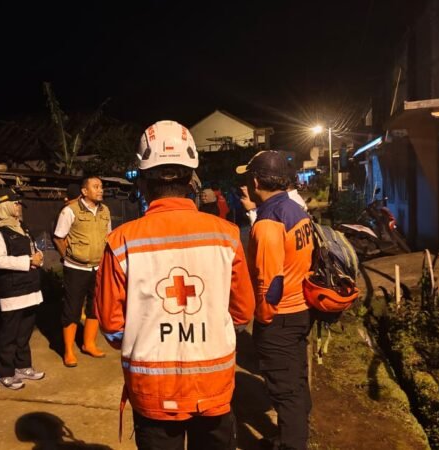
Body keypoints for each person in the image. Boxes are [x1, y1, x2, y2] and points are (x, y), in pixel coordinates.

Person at [95, 120, 255, 450]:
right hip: (213, 386)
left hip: (152, 391)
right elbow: (242, 313)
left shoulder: (121, 242)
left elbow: (112, 327)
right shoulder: (226, 236)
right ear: (191, 178)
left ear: (142, 180)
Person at [235, 150, 315, 450]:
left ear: (256, 181)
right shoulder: (297, 211)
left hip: (279, 317)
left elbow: (270, 285)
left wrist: (264, 320)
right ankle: (288, 436)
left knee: (284, 390)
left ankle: (292, 444)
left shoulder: (268, 222)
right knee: (296, 380)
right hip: (300, 310)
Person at [0, 187, 46, 390]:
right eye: (16, 203)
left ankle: (23, 366)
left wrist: (38, 257)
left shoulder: (20, 227)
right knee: (9, 333)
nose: (19, 207)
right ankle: (5, 372)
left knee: (25, 331)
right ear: (4, 206)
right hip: (12, 288)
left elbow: (32, 249)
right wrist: (28, 260)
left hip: (30, 286)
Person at [52, 175, 111, 367]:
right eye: (96, 187)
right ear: (85, 191)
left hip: (98, 267)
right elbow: (58, 237)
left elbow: (108, 236)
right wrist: (67, 257)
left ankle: (89, 344)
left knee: (95, 306)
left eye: (101, 186)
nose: (100, 190)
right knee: (72, 309)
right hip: (76, 268)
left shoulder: (105, 211)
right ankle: (68, 350)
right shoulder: (70, 211)